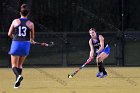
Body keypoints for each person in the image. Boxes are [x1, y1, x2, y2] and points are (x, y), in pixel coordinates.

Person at [8, 4, 35, 88]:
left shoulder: (15, 21)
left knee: (14, 65)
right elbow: (32, 38)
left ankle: (18, 77)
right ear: (28, 14)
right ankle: (17, 84)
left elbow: (9, 34)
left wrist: (15, 38)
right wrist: (32, 41)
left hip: (16, 43)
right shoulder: (31, 24)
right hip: (25, 45)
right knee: (19, 65)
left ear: (20, 12)